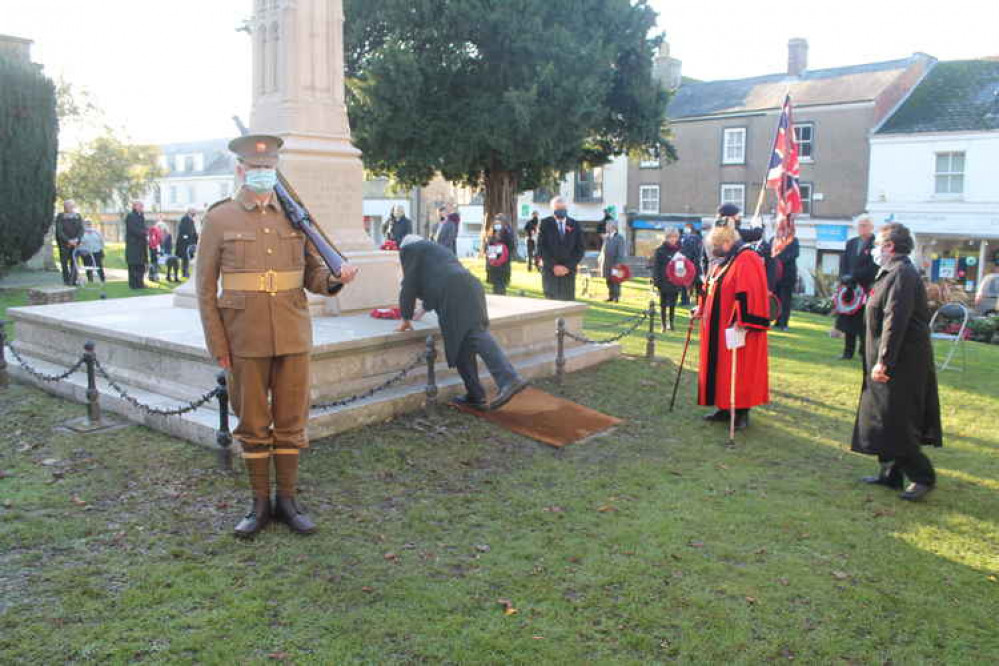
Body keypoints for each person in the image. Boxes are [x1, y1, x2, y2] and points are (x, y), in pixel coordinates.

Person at [196, 133, 359, 538]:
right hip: (243, 338)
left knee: (290, 420)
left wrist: (336, 280)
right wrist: (219, 345)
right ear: (240, 171)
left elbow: (312, 275)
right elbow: (204, 289)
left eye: (269, 169)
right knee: (252, 423)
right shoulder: (219, 219)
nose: (263, 174)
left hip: (291, 333)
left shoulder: (294, 217)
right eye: (256, 169)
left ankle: (286, 500)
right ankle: (258, 503)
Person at [851, 223, 942, 501]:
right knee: (880, 414)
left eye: (878, 244)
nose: (875, 249)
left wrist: (884, 361)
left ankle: (922, 476)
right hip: (884, 355)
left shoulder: (902, 273)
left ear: (890, 246)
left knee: (896, 419)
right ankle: (889, 472)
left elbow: (896, 320)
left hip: (902, 361)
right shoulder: (889, 272)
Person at [396, 235, 528, 411]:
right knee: (460, 343)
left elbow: (409, 285)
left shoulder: (410, 250)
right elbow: (435, 278)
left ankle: (509, 379)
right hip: (469, 287)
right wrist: (423, 309)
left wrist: (405, 317)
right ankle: (475, 395)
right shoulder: (435, 250)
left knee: (474, 334)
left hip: (454, 292)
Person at [695, 221, 770, 431]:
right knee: (721, 369)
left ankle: (741, 412)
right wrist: (701, 307)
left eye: (716, 245)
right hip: (717, 327)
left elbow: (750, 292)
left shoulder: (747, 258)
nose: (713, 250)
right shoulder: (725, 260)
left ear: (727, 242)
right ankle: (723, 406)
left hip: (737, 328)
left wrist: (742, 320)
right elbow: (711, 285)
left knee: (739, 370)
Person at [836, 215, 877, 361]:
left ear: (871, 227)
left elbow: (873, 266)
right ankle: (848, 352)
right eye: (860, 225)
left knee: (864, 323)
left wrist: (855, 276)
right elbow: (844, 262)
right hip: (850, 288)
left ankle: (864, 352)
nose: (862, 227)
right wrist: (844, 278)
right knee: (848, 321)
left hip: (866, 288)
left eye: (865, 225)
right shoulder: (851, 243)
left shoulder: (876, 244)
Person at [538, 196, 585, 301]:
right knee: (551, 305)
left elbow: (580, 249)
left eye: (563, 208)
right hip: (550, 272)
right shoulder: (545, 224)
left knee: (567, 306)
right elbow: (541, 248)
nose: (561, 211)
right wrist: (554, 266)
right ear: (552, 210)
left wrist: (567, 267)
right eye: (558, 209)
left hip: (568, 274)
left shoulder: (575, 225)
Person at [651, 228, 683, 331]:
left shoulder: (679, 250)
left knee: (673, 304)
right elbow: (656, 267)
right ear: (667, 237)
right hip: (663, 280)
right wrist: (656, 281)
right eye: (671, 237)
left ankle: (671, 323)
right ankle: (663, 324)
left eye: (675, 237)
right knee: (663, 304)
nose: (673, 239)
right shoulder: (660, 250)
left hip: (675, 281)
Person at [771, 233, 799, 331]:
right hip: (776, 276)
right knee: (776, 300)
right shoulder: (773, 239)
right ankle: (776, 321)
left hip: (787, 276)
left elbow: (794, 254)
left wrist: (779, 256)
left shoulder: (793, 240)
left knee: (785, 301)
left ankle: (784, 323)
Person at [54, 200, 84, 286]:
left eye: (72, 206)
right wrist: (68, 240)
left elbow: (81, 229)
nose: (71, 208)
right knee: (64, 263)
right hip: (64, 244)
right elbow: (59, 231)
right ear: (65, 207)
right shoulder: (60, 216)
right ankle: (66, 280)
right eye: (68, 206)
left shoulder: (77, 216)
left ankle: (73, 280)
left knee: (74, 262)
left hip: (75, 243)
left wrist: (77, 239)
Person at [485, 214, 516, 295]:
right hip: (495, 265)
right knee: (497, 287)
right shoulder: (491, 234)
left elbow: (511, 247)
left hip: (502, 265)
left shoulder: (507, 233)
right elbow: (487, 248)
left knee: (500, 287)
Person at [598, 220, 626, 303]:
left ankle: (616, 297)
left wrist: (618, 263)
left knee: (616, 281)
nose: (606, 227)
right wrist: (600, 259)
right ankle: (610, 296)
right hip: (606, 263)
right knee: (608, 280)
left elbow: (621, 252)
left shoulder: (620, 238)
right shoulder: (607, 237)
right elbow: (603, 249)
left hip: (615, 263)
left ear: (613, 227)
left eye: (607, 226)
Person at [125, 201, 148, 290]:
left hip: (141, 245)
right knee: (134, 265)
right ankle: (133, 284)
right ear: (135, 206)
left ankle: (140, 283)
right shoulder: (130, 216)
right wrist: (144, 232)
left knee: (141, 265)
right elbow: (133, 229)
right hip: (133, 245)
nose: (142, 207)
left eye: (142, 206)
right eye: (140, 205)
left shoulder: (141, 216)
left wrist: (146, 231)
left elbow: (143, 227)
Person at [679, 222, 703, 305]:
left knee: (692, 283)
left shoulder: (693, 238)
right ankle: (694, 301)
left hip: (690, 263)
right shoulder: (697, 238)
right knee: (691, 283)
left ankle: (688, 300)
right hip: (690, 263)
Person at [176, 208, 199, 278]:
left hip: (189, 243)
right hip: (184, 242)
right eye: (194, 211)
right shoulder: (185, 219)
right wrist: (186, 237)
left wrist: (196, 239)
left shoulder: (191, 220)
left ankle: (186, 272)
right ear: (189, 212)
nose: (195, 213)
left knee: (187, 258)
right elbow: (182, 229)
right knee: (185, 258)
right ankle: (184, 272)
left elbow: (193, 231)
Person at [147, 218, 163, 282]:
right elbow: (156, 241)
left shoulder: (152, 230)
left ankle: (151, 275)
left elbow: (150, 239)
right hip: (155, 248)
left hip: (152, 247)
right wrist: (158, 251)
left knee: (153, 262)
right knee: (155, 262)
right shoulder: (156, 230)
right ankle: (154, 276)